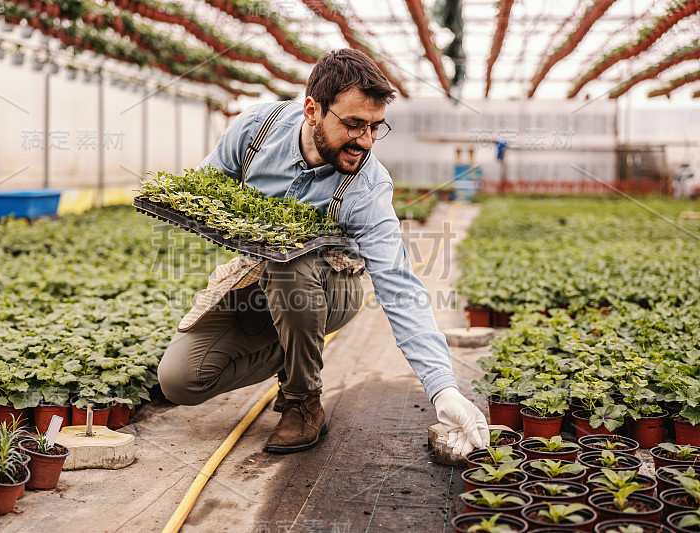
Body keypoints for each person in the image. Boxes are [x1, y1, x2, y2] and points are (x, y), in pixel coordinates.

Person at [158, 48, 489, 457]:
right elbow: (207, 186)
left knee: (289, 260)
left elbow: (399, 286)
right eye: (354, 125)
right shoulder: (256, 131)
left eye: (375, 127)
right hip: (254, 282)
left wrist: (443, 390)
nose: (365, 141)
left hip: (332, 289)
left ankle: (303, 401)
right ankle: (294, 352)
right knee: (180, 380)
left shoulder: (367, 187)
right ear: (312, 111)